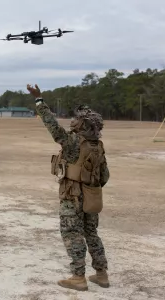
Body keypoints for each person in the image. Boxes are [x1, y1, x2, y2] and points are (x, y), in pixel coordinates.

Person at [27, 84, 110, 291]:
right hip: (92, 197)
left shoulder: (73, 142)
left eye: (76, 119)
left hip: (72, 197)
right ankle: (101, 274)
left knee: (72, 234)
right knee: (92, 233)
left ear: (83, 125)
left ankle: (78, 277)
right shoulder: (97, 146)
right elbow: (105, 176)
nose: (72, 121)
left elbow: (53, 127)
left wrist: (39, 100)